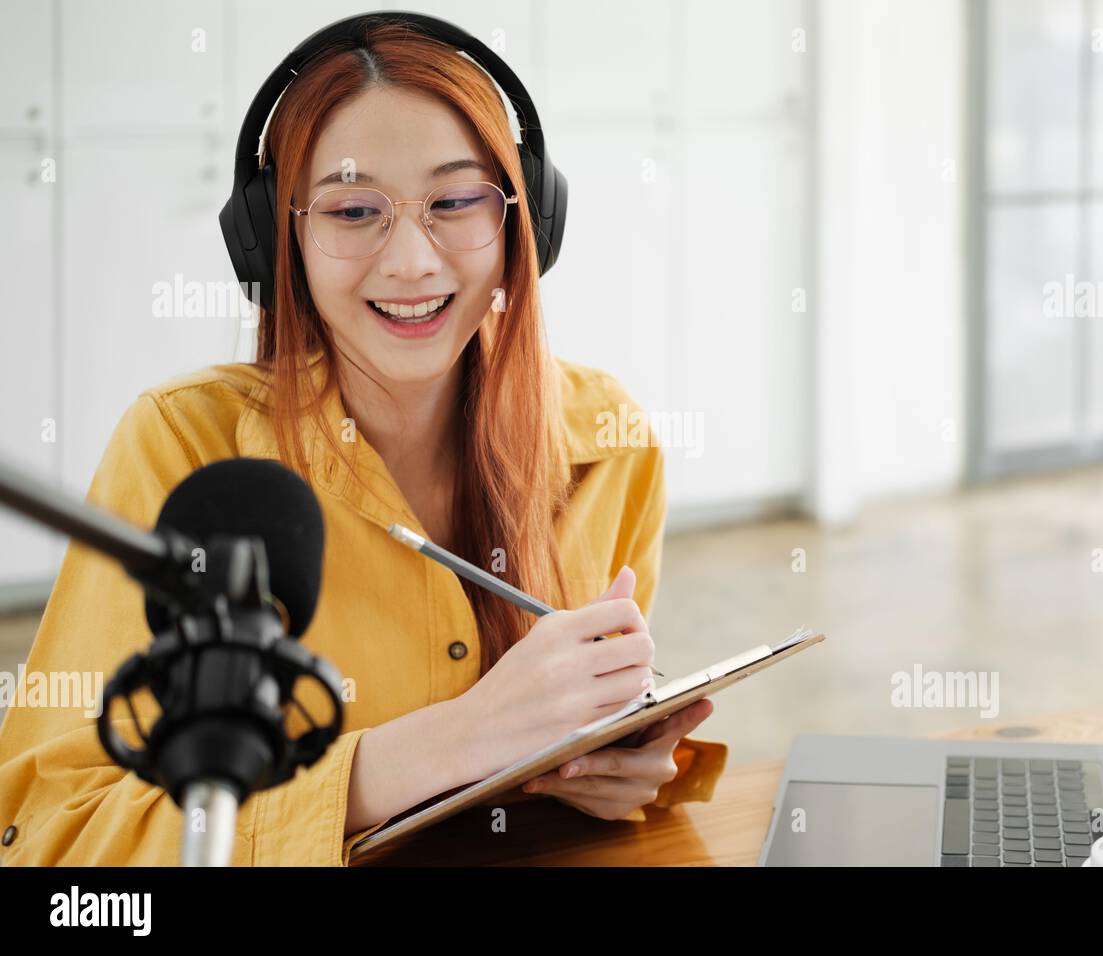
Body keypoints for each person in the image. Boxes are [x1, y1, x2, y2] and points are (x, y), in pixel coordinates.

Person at [0, 20, 725, 866]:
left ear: (523, 219)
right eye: (353, 211)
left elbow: (607, 740)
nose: (413, 261)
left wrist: (630, 766)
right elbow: (47, 838)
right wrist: (431, 753)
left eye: (456, 201)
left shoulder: (611, 440)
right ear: (278, 239)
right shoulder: (184, 449)